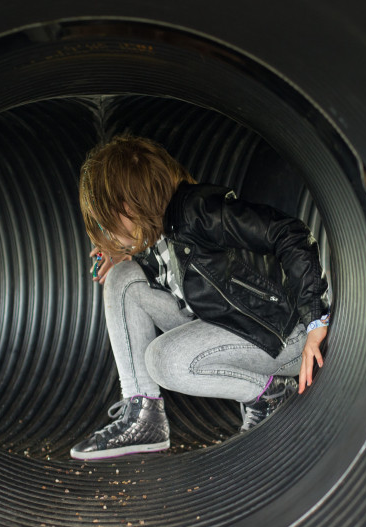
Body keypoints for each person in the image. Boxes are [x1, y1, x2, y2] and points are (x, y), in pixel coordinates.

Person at [70, 134, 330, 460]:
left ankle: (270, 394)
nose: (105, 232)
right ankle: (143, 416)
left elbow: (288, 232)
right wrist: (126, 253)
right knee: (122, 278)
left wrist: (315, 317)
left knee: (162, 359)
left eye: (106, 222)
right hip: (228, 325)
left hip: (278, 335)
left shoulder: (200, 211)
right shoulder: (153, 230)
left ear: (127, 207)